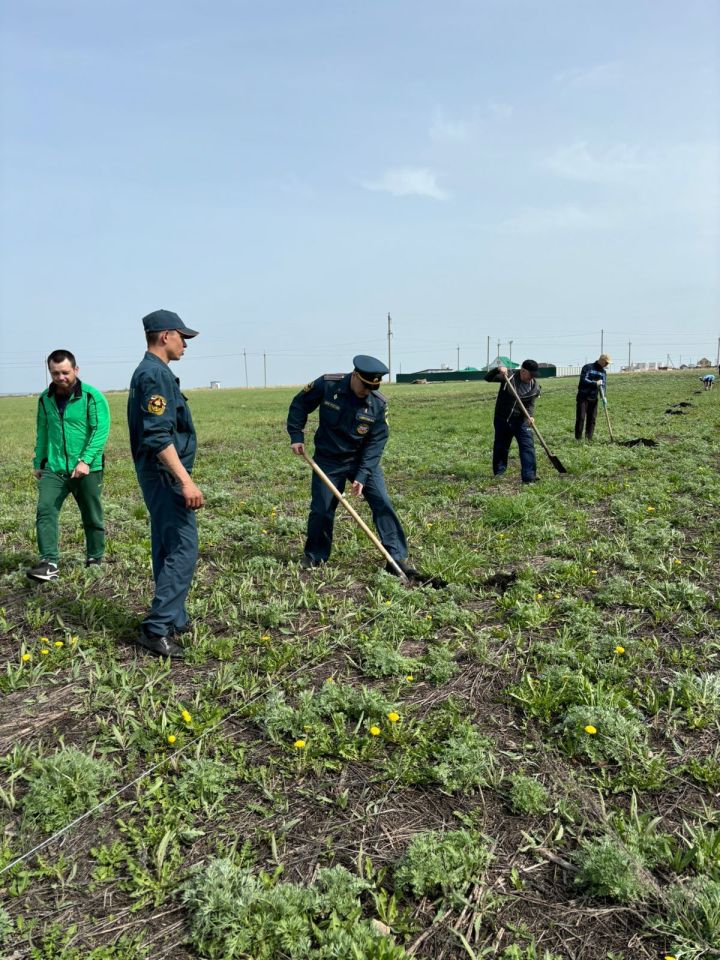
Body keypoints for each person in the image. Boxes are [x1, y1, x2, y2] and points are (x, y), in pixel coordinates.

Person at [287, 355, 413, 575]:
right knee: (321, 509)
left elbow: (377, 441)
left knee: (382, 502)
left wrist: (363, 475)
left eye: (372, 387)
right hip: (328, 459)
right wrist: (296, 434)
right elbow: (300, 404)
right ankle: (316, 555)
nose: (367, 391)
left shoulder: (377, 403)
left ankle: (396, 558)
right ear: (355, 375)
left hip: (361, 460)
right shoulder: (328, 384)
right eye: (364, 385)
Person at [127, 310, 204, 658]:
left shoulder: (153, 372)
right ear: (165, 336)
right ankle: (156, 628)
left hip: (158, 474)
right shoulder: (155, 376)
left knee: (166, 544)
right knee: (184, 548)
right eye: (181, 337)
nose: (185, 343)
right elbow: (158, 437)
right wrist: (185, 481)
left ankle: (173, 616)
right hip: (165, 475)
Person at [27, 350, 111, 582]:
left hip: (87, 469)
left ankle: (95, 557)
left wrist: (85, 461)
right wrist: (39, 462)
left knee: (91, 514)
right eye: (55, 373)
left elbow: (100, 431)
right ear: (50, 372)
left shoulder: (92, 397)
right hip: (54, 468)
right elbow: (43, 432)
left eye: (65, 372)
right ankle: (49, 562)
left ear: (76, 369)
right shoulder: (45, 399)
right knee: (45, 510)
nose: (61, 377)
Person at [485, 359, 541, 484]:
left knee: (527, 446)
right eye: (530, 374)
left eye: (534, 375)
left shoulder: (534, 386)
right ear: (523, 370)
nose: (532, 377)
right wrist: (498, 369)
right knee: (501, 446)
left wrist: (530, 416)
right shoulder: (508, 376)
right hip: (502, 418)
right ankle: (499, 473)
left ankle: (529, 477)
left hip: (520, 420)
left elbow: (530, 404)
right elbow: (487, 378)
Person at [575, 354, 611, 440]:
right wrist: (595, 383)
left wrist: (603, 396)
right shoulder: (587, 368)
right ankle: (578, 438)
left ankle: (589, 438)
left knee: (592, 419)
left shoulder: (603, 372)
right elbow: (583, 380)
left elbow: (603, 385)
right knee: (581, 417)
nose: (607, 365)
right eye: (606, 363)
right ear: (601, 360)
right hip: (583, 397)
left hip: (594, 398)